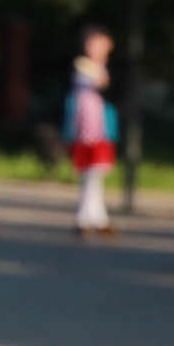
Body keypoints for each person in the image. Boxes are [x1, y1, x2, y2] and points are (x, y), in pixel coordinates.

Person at [63, 25, 119, 236]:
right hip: (87, 129)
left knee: (94, 174)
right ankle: (92, 218)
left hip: (98, 129)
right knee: (90, 174)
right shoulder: (86, 67)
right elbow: (100, 83)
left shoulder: (98, 68)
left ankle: (92, 217)